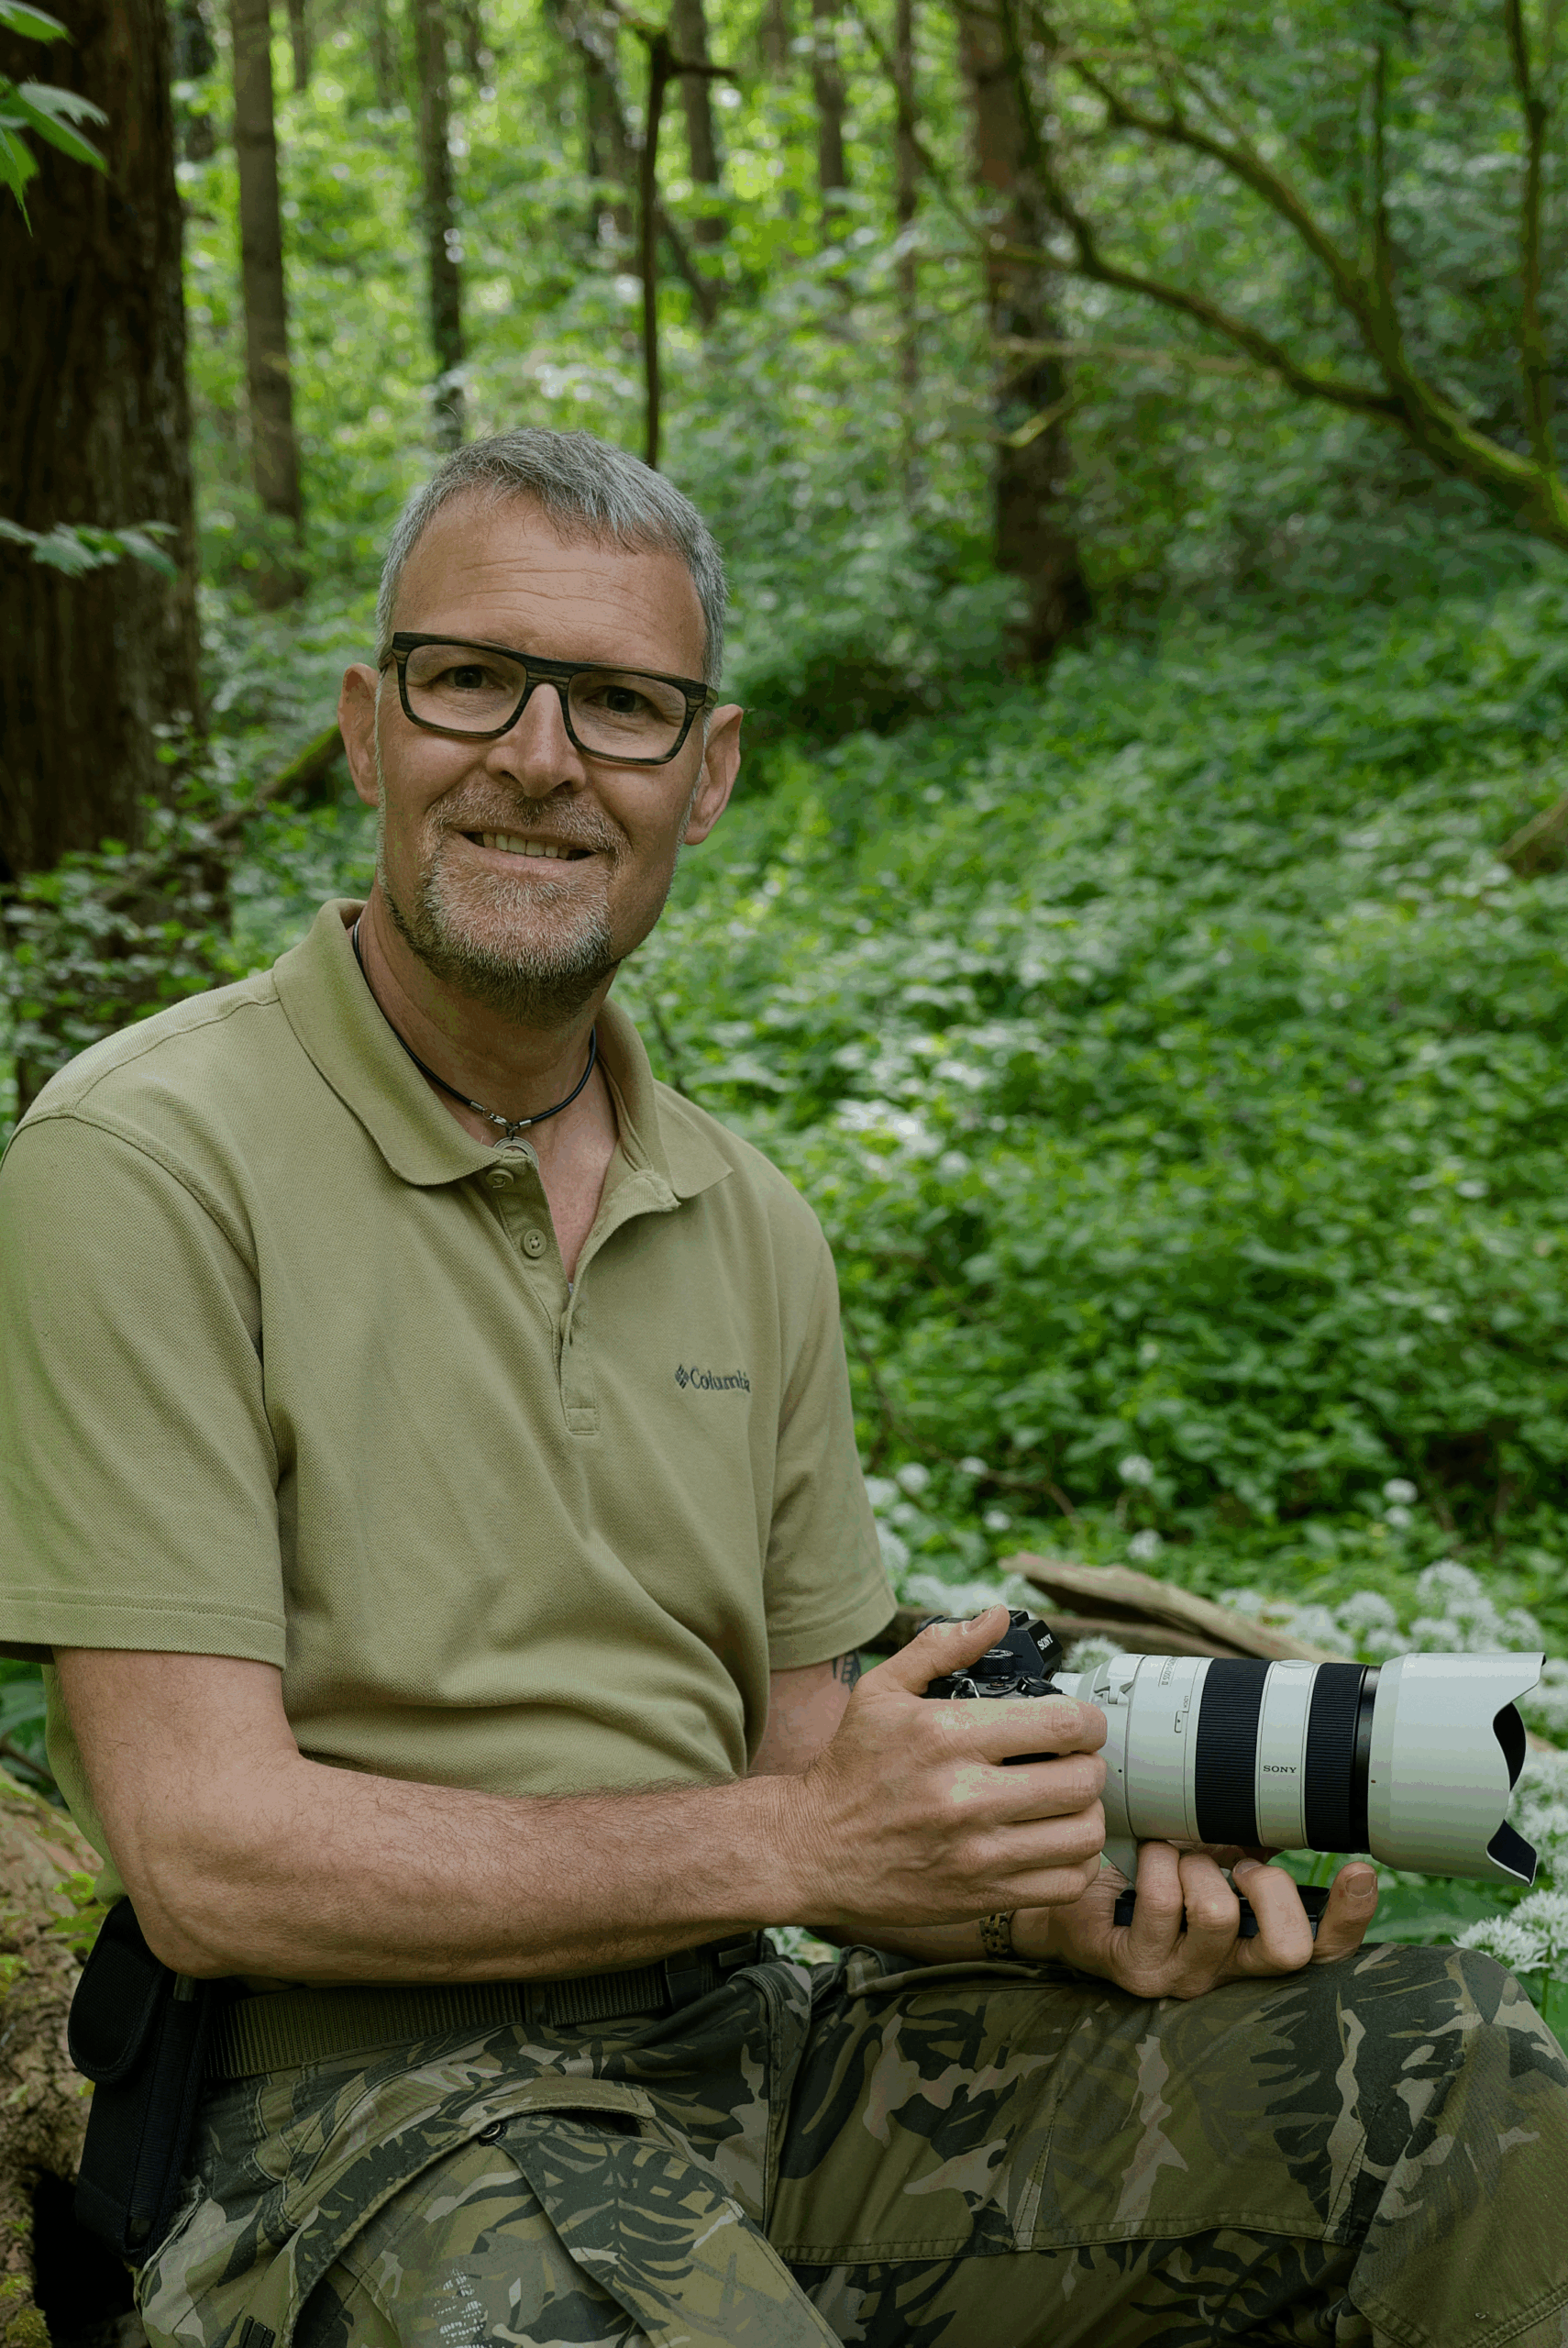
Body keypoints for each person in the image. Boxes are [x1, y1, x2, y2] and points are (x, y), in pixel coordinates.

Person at [2, 429, 1564, 2348]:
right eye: (472, 677)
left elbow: (816, 1777)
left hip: (757, 2046)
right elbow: (208, 1852)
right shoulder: (148, 1153)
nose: (540, 755)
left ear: (709, 772)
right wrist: (795, 1846)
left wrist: (1051, 1905)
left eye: (623, 706)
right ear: (366, 723)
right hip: (349, 2109)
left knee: (1457, 2068)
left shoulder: (748, 1219)